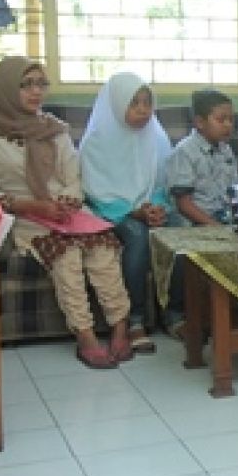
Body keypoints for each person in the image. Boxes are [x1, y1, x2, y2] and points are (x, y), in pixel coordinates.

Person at [0, 57, 133, 369]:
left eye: (41, 84)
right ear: (5, 88)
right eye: (26, 85)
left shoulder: (54, 129)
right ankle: (86, 336)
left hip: (65, 212)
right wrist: (32, 206)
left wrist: (68, 201)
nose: (36, 92)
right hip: (23, 213)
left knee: (103, 250)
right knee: (66, 256)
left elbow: (73, 178)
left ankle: (121, 327)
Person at [80, 71, 183, 353]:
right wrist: (134, 211)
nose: (142, 110)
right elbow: (96, 192)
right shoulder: (95, 142)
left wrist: (157, 207)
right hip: (114, 212)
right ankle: (135, 320)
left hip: (151, 206)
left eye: (147, 103)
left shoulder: (156, 137)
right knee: (137, 239)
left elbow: (163, 181)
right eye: (133, 103)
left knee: (183, 232)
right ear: (115, 104)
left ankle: (176, 314)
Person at [167, 89, 238, 226]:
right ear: (200, 122)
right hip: (194, 224)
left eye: (231, 119)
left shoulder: (226, 150)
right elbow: (183, 204)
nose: (228, 125)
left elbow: (234, 191)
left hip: (224, 219)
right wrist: (214, 226)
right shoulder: (185, 152)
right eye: (221, 120)